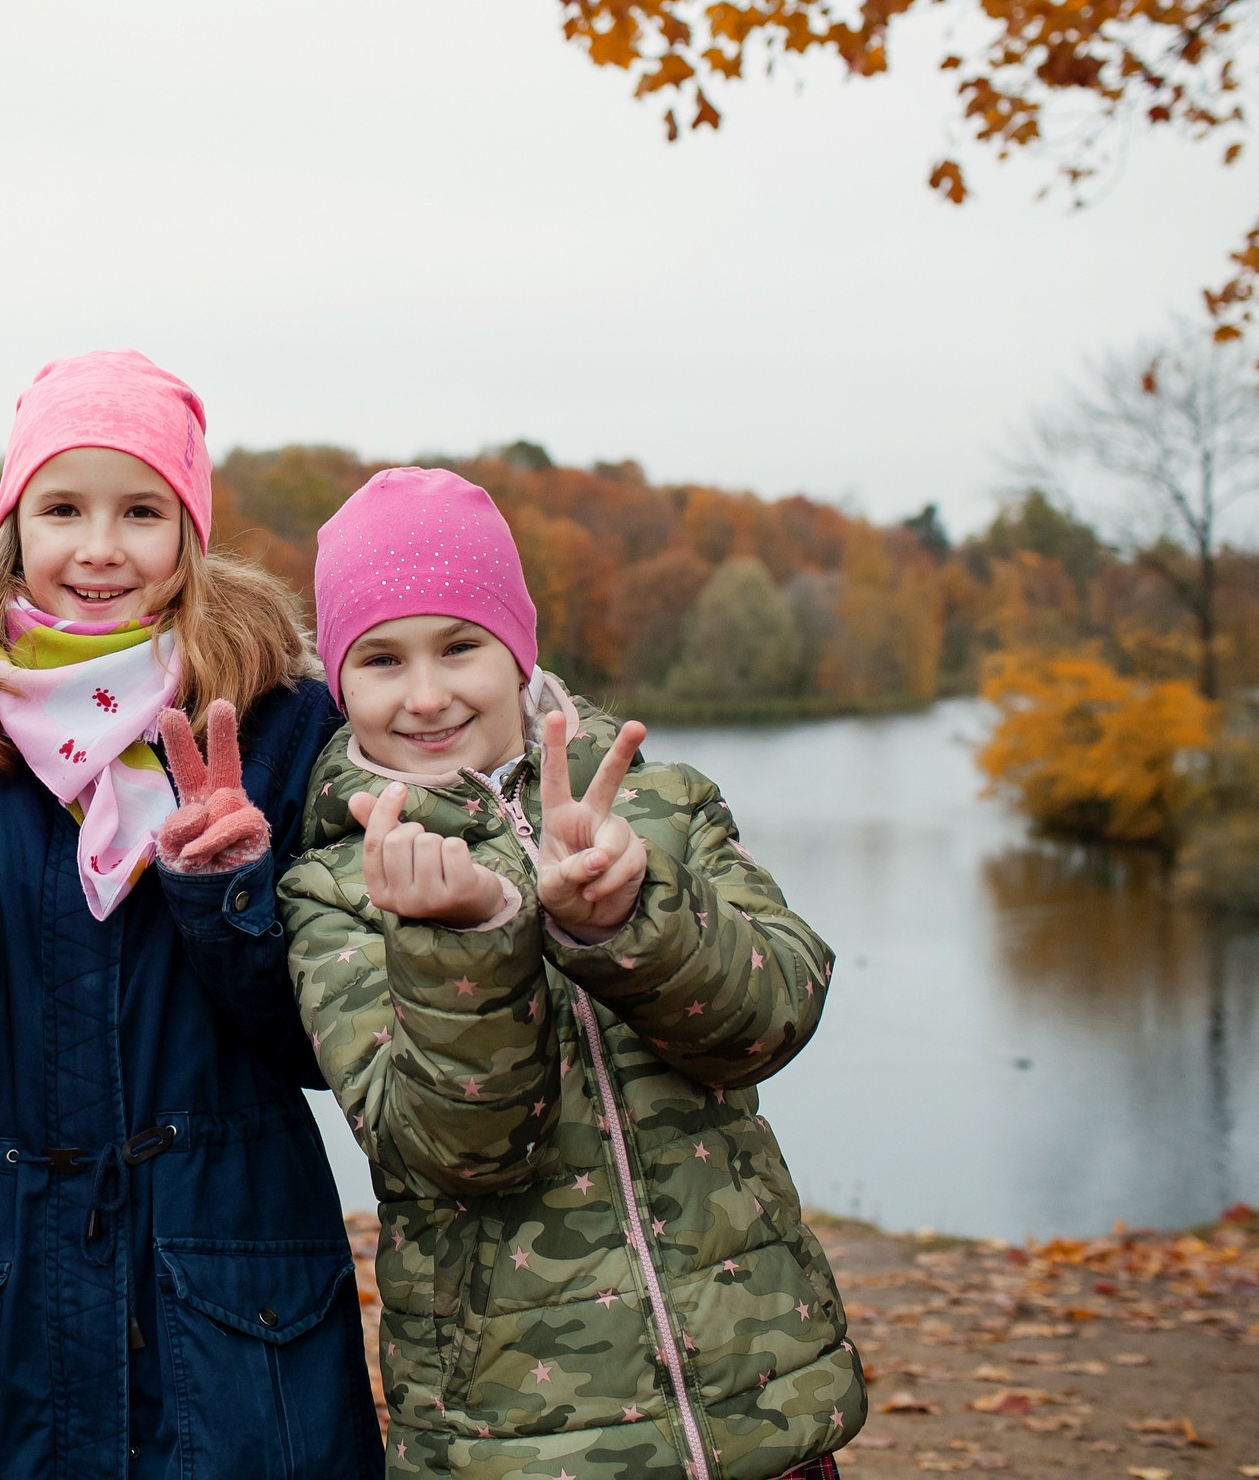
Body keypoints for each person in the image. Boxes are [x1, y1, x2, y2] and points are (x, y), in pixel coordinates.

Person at [0, 350, 384, 1480]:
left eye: (140, 509)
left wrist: (225, 894)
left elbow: (319, 1047)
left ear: (187, 530)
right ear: (14, 527)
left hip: (231, 1304)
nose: (99, 547)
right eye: (63, 508)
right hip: (9, 1304)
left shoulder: (279, 723)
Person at [280, 467, 865, 1480]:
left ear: (517, 651)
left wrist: (627, 925)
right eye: (380, 659)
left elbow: (775, 1013)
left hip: (756, 1398)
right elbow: (455, 1155)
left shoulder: (661, 805)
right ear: (341, 683)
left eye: (459, 645)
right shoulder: (337, 888)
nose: (425, 695)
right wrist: (466, 940)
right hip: (520, 1439)